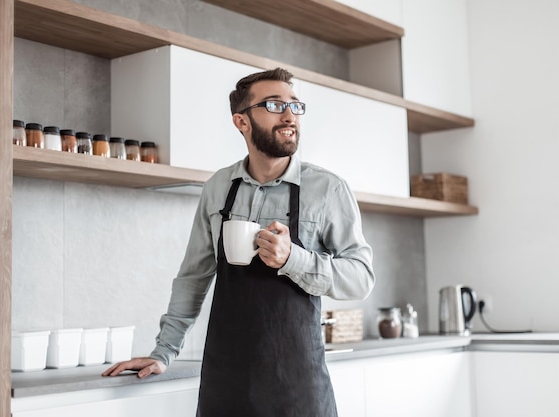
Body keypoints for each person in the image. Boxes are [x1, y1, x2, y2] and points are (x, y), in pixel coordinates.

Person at [103, 67, 375, 416]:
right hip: (225, 384)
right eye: (274, 105)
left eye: (295, 105)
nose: (290, 114)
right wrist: (163, 353)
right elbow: (193, 277)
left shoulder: (328, 189)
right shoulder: (218, 187)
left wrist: (294, 258)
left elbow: (362, 277)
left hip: (297, 387)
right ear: (241, 122)